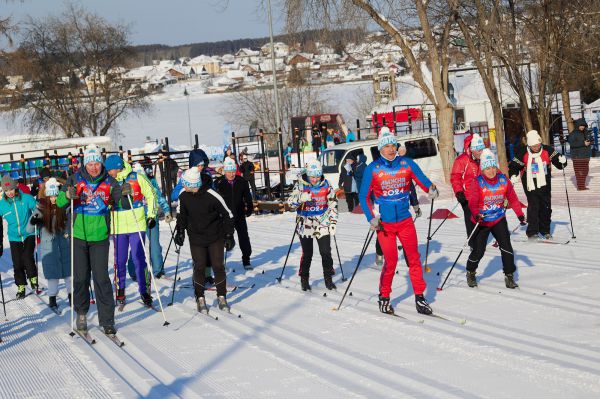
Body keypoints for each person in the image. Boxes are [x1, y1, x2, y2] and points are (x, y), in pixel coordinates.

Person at [359, 127, 438, 315]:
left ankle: (420, 297)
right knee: (391, 261)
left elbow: (422, 180)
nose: (391, 149)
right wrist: (371, 218)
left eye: (393, 145)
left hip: (405, 221)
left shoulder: (407, 164)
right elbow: (363, 197)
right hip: (384, 224)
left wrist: (431, 188)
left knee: (414, 259)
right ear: (380, 149)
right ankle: (384, 296)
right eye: (386, 146)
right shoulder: (373, 169)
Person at [56, 144, 125, 335]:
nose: (94, 167)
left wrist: (125, 193)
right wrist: (66, 194)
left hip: (100, 236)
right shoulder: (74, 179)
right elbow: (60, 203)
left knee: (102, 278)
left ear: (101, 164)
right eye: (90, 163)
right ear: (85, 164)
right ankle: (81, 313)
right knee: (81, 277)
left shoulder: (110, 182)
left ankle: (107, 320)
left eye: (96, 163)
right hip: (78, 235)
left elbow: (122, 202)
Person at [174, 168, 235, 314]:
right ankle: (200, 297)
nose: (183, 187)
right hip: (196, 237)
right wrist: (180, 231)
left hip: (215, 235)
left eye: (186, 184)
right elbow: (181, 215)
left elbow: (228, 215)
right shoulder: (184, 195)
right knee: (199, 266)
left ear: (194, 184)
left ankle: (221, 296)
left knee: (217, 266)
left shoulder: (212, 195)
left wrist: (228, 235)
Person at [466, 149, 526, 288]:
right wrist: (476, 214)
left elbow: (513, 198)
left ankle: (509, 275)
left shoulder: (503, 180)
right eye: (487, 168)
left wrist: (520, 215)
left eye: (493, 167)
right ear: (482, 169)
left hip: (498, 218)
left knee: (506, 248)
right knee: (479, 250)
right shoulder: (477, 182)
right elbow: (472, 203)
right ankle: (471, 271)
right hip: (482, 221)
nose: (491, 171)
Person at [105, 155, 157, 308]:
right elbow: (104, 201)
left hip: (136, 223)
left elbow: (151, 194)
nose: (108, 172)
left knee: (138, 259)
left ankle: (144, 290)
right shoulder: (109, 182)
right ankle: (120, 289)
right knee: (119, 260)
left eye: (110, 170)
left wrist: (151, 215)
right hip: (118, 226)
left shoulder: (136, 177)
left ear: (118, 167)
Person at [287, 159, 338, 291]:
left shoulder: (326, 185)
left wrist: (333, 221)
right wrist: (300, 198)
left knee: (326, 251)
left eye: (317, 176)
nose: (315, 179)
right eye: (312, 176)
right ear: (308, 175)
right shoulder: (300, 185)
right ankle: (304, 278)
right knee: (308, 253)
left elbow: (333, 203)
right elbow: (290, 204)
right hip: (306, 221)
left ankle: (328, 278)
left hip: (323, 220)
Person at [509, 130, 567, 239]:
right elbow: (513, 166)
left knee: (546, 206)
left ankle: (545, 230)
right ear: (529, 145)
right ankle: (532, 232)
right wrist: (513, 175)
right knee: (534, 206)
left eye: (538, 145)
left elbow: (559, 163)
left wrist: (563, 161)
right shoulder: (523, 152)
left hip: (545, 181)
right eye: (534, 146)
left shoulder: (547, 150)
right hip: (529, 182)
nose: (536, 147)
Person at [27, 178, 71, 311]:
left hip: (65, 244)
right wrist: (33, 220)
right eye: (51, 195)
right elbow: (29, 229)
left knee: (69, 273)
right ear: (46, 195)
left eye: (56, 195)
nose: (53, 198)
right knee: (52, 275)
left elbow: (71, 224)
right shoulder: (40, 208)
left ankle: (72, 296)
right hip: (49, 247)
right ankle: (52, 299)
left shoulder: (65, 207)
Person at [128, 159, 173, 280]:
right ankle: (134, 271)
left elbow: (158, 196)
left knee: (154, 244)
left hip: (151, 217)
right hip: (136, 218)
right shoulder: (128, 184)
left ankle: (158, 270)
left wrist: (166, 210)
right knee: (136, 244)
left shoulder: (150, 182)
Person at [0, 175, 39, 299]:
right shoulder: (2, 205)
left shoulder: (26, 198)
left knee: (27, 256)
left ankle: (33, 278)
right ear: (3, 191)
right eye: (6, 190)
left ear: (15, 187)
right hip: (14, 237)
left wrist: (36, 219)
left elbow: (38, 209)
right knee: (17, 263)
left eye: (11, 189)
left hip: (29, 233)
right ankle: (21, 286)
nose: (9, 192)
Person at [215, 157, 254, 270]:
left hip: (239, 213)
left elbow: (247, 196)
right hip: (225, 216)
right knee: (223, 238)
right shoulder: (219, 182)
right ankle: (221, 262)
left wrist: (249, 207)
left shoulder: (242, 181)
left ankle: (246, 260)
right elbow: (215, 200)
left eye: (233, 171)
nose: (231, 174)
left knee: (244, 237)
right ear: (225, 171)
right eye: (229, 172)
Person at [451, 134, 483, 237]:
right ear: (470, 148)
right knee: (471, 219)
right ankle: (473, 242)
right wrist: (459, 192)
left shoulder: (482, 158)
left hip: (482, 194)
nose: (480, 151)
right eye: (477, 149)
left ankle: (482, 238)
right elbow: (455, 177)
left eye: (481, 148)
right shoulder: (461, 160)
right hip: (467, 196)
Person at [567, 118, 592, 190]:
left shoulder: (586, 132)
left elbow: (590, 139)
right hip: (577, 156)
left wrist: (590, 141)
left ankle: (582, 185)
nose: (582, 127)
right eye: (581, 125)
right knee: (579, 171)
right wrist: (583, 143)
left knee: (585, 171)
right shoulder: (573, 134)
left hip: (585, 156)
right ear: (577, 125)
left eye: (583, 125)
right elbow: (572, 144)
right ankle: (581, 187)